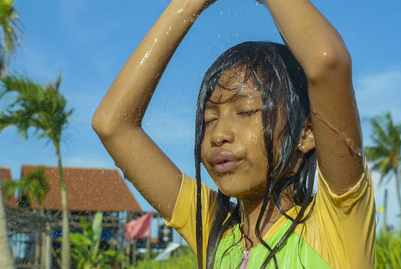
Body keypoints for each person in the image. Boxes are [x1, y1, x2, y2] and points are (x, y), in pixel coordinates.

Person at [92, 0, 375, 268]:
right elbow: (113, 125)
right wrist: (188, 5)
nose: (218, 134)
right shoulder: (213, 231)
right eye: (209, 118)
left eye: (247, 111)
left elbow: (328, 63)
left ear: (307, 133)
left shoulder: (337, 222)